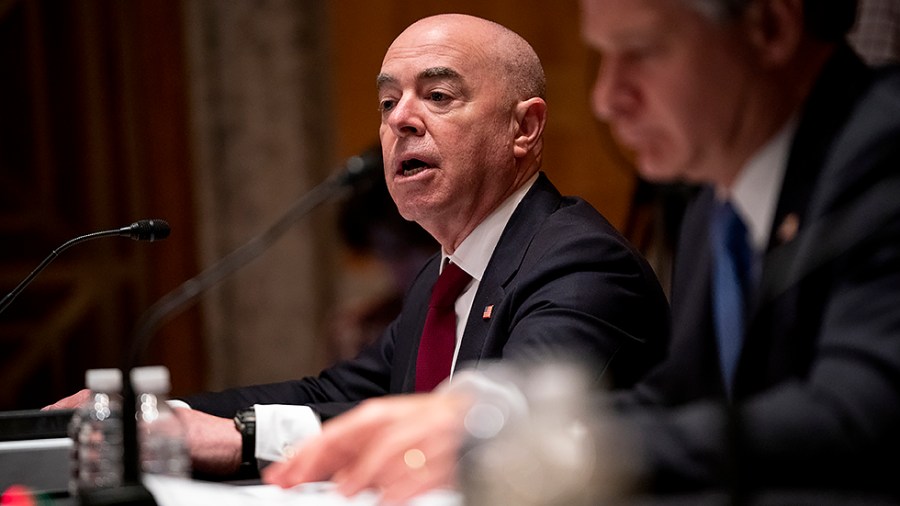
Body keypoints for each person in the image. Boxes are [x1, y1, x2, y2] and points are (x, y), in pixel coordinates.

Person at [263, 0, 900, 501]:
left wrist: (560, 447)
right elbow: (682, 400)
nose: (605, 98)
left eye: (640, 51)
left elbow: (863, 416)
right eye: (602, 58)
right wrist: (500, 415)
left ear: (767, 26)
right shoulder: (715, 203)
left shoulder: (882, 149)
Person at [46, 13, 670, 478]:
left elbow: (487, 430)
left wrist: (240, 436)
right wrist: (165, 414)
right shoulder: (440, 277)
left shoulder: (579, 263)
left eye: (439, 95)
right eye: (388, 101)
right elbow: (336, 396)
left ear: (524, 128)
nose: (400, 119)